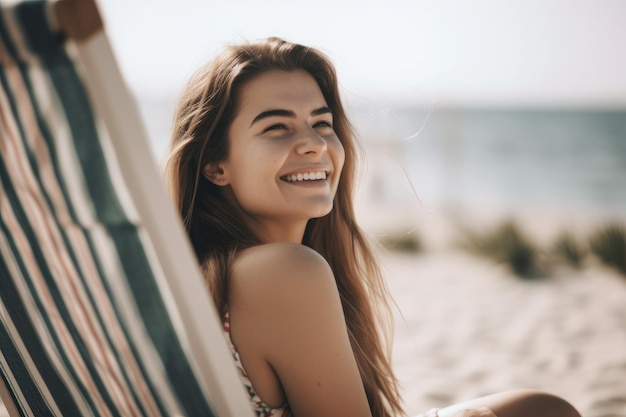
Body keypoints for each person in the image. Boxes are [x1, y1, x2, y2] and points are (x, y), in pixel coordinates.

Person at [164, 37, 581, 417]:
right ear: (214, 165)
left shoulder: (212, 273)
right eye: (277, 127)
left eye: (322, 123)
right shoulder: (282, 271)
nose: (315, 143)